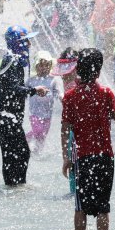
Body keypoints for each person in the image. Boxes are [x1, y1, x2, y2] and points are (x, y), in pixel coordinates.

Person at [61, 49, 115, 230]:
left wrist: (66, 157)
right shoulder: (106, 94)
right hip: (105, 157)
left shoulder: (70, 97)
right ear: (98, 72)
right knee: (103, 207)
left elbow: (65, 129)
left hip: (82, 158)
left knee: (80, 206)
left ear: (77, 70)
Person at [0, 26, 48, 186]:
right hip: (4, 116)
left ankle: (16, 185)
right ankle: (13, 187)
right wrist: (34, 90)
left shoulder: (14, 60)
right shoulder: (11, 61)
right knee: (16, 154)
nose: (29, 45)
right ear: (17, 43)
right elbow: (11, 88)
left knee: (19, 153)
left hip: (7, 117)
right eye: (25, 41)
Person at [52, 48, 79, 195]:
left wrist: (65, 157)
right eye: (63, 74)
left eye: (68, 73)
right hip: (73, 138)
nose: (65, 77)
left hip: (77, 138)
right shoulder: (72, 92)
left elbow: (65, 129)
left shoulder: (78, 90)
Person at [25, 50, 62, 156]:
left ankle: (36, 153)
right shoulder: (31, 80)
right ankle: (24, 139)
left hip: (47, 115)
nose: (44, 68)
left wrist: (61, 98)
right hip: (34, 113)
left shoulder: (53, 80)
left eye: (47, 65)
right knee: (37, 131)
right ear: (36, 66)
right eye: (41, 65)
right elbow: (24, 92)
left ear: (50, 66)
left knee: (42, 136)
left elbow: (59, 93)